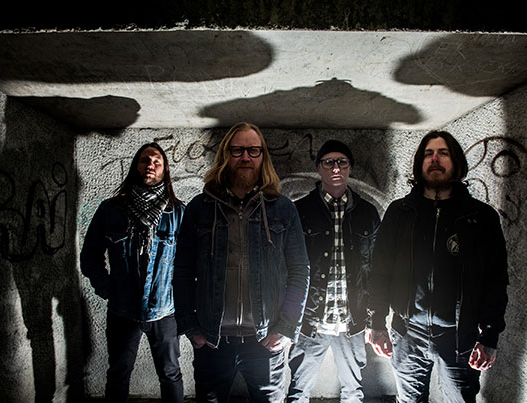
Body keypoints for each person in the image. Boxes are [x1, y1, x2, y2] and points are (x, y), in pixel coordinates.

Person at [172, 122, 310, 402]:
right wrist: (191, 327)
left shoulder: (283, 208)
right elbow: (182, 271)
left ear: (262, 157)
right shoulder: (200, 207)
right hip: (212, 340)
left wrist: (286, 328)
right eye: (237, 150)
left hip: (266, 341)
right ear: (226, 155)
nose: (245, 157)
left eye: (253, 150)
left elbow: (299, 271)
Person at [369, 131, 509, 402]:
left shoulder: (480, 217)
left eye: (443, 153)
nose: (435, 159)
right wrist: (377, 323)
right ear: (419, 163)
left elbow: (496, 279)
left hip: (460, 338)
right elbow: (380, 271)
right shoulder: (400, 213)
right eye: (428, 154)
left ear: (456, 162)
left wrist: (490, 335)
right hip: (407, 333)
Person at [80, 143, 185, 403]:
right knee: (118, 373)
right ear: (135, 166)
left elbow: (189, 264)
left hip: (164, 311)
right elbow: (90, 257)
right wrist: (109, 290)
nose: (150, 165)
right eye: (144, 160)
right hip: (122, 311)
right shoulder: (111, 210)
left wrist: (182, 300)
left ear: (165, 170)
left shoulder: (178, 212)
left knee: (170, 373)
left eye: (157, 161)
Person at [287, 140, 381, 402]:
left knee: (354, 391)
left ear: (350, 168)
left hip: (353, 320)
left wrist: (374, 319)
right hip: (310, 320)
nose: (336, 167)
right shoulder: (300, 211)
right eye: (329, 162)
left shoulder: (367, 212)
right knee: (298, 390)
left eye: (342, 162)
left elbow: (375, 270)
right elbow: (289, 269)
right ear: (319, 168)